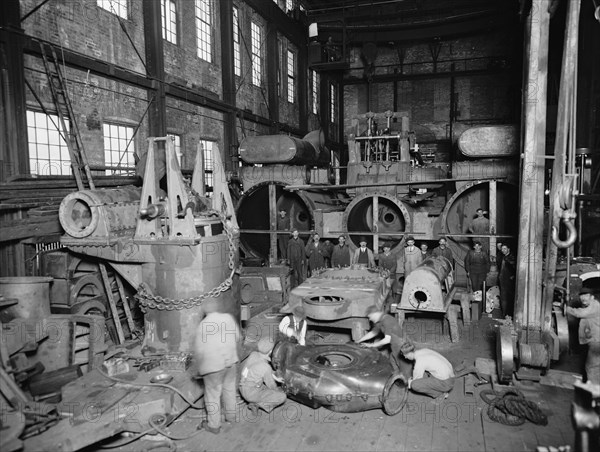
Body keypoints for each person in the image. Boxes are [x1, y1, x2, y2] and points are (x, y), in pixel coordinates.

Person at [194, 308, 241, 434]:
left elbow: (199, 352)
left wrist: (197, 370)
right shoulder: (228, 318)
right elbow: (237, 337)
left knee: (213, 395)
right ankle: (231, 417)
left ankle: (214, 426)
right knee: (230, 390)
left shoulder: (202, 326)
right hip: (231, 362)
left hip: (214, 368)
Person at [356, 305, 412, 377]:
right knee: (393, 361)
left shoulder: (387, 320)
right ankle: (397, 377)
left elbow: (387, 340)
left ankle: (407, 382)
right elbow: (374, 332)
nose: (370, 319)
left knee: (404, 366)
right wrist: (359, 340)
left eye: (370, 317)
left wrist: (371, 345)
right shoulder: (380, 321)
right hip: (394, 345)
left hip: (402, 345)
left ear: (375, 314)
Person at [239, 336, 287, 414]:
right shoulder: (265, 367)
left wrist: (274, 376)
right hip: (251, 393)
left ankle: (256, 400)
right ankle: (256, 404)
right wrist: (279, 389)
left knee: (266, 389)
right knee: (282, 397)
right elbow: (271, 385)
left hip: (243, 386)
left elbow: (259, 371)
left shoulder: (253, 354)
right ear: (271, 351)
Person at [566, 287, 600, 385]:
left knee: (592, 367)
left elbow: (579, 313)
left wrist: (566, 308)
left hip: (596, 342)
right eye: (581, 296)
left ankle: (595, 393)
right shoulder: (591, 306)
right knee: (593, 367)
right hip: (594, 341)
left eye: (586, 296)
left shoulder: (595, 305)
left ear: (592, 297)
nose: (583, 298)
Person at [498, 243, 516, 317]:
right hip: (502, 280)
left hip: (509, 282)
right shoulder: (502, 257)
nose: (503, 250)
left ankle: (508, 314)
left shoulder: (512, 258)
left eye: (505, 249)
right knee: (503, 297)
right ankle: (504, 314)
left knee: (508, 298)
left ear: (509, 249)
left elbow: (515, 268)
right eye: (502, 249)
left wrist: (512, 276)